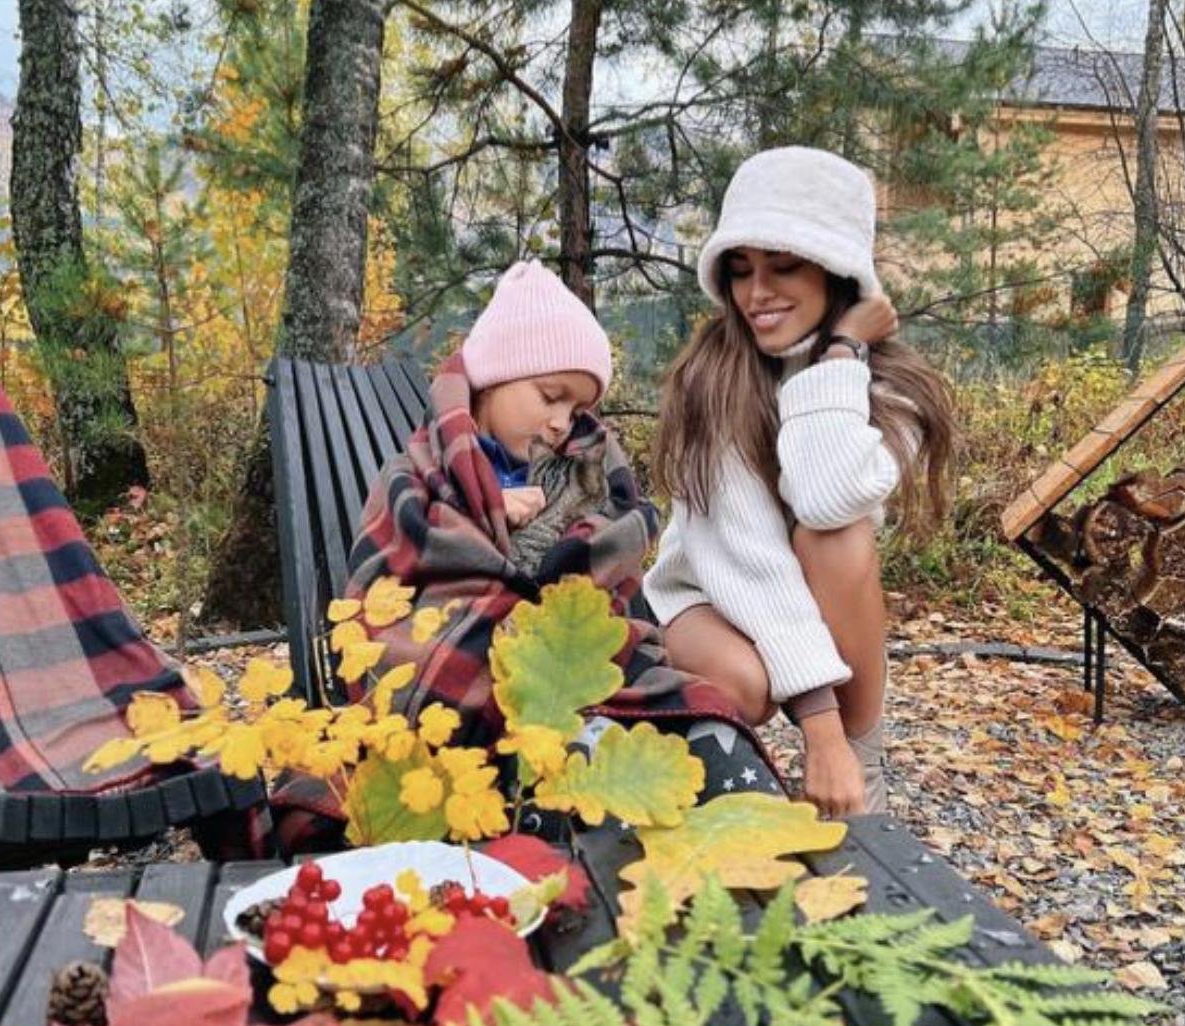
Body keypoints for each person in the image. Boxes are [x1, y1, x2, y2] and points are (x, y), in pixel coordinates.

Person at [272, 261, 783, 855]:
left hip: (574, 658)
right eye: (550, 396)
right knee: (575, 748)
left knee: (707, 723)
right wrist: (486, 508)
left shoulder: (583, 466)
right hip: (468, 667)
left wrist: (549, 530)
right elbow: (385, 584)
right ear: (493, 378)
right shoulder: (420, 473)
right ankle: (592, 862)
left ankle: (768, 844)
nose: (561, 421)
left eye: (576, 407)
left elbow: (611, 547)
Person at [644, 146, 955, 818]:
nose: (757, 294)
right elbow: (747, 559)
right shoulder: (713, 377)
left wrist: (841, 354)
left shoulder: (888, 389)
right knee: (745, 685)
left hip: (808, 594)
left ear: (838, 271)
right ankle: (724, 774)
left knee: (836, 536)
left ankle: (860, 776)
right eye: (741, 270)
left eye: (784, 265)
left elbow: (824, 495)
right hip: (706, 597)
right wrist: (817, 725)